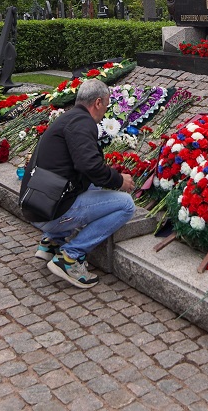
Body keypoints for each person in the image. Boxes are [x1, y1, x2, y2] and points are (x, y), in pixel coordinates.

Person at [29, 78, 135, 289]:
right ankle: (70, 257)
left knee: (94, 187)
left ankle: (51, 241)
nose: (106, 109)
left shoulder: (69, 118)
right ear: (97, 103)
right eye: (106, 104)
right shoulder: (83, 123)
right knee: (126, 205)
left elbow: (83, 170)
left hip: (38, 205)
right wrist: (119, 180)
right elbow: (90, 167)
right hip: (52, 211)